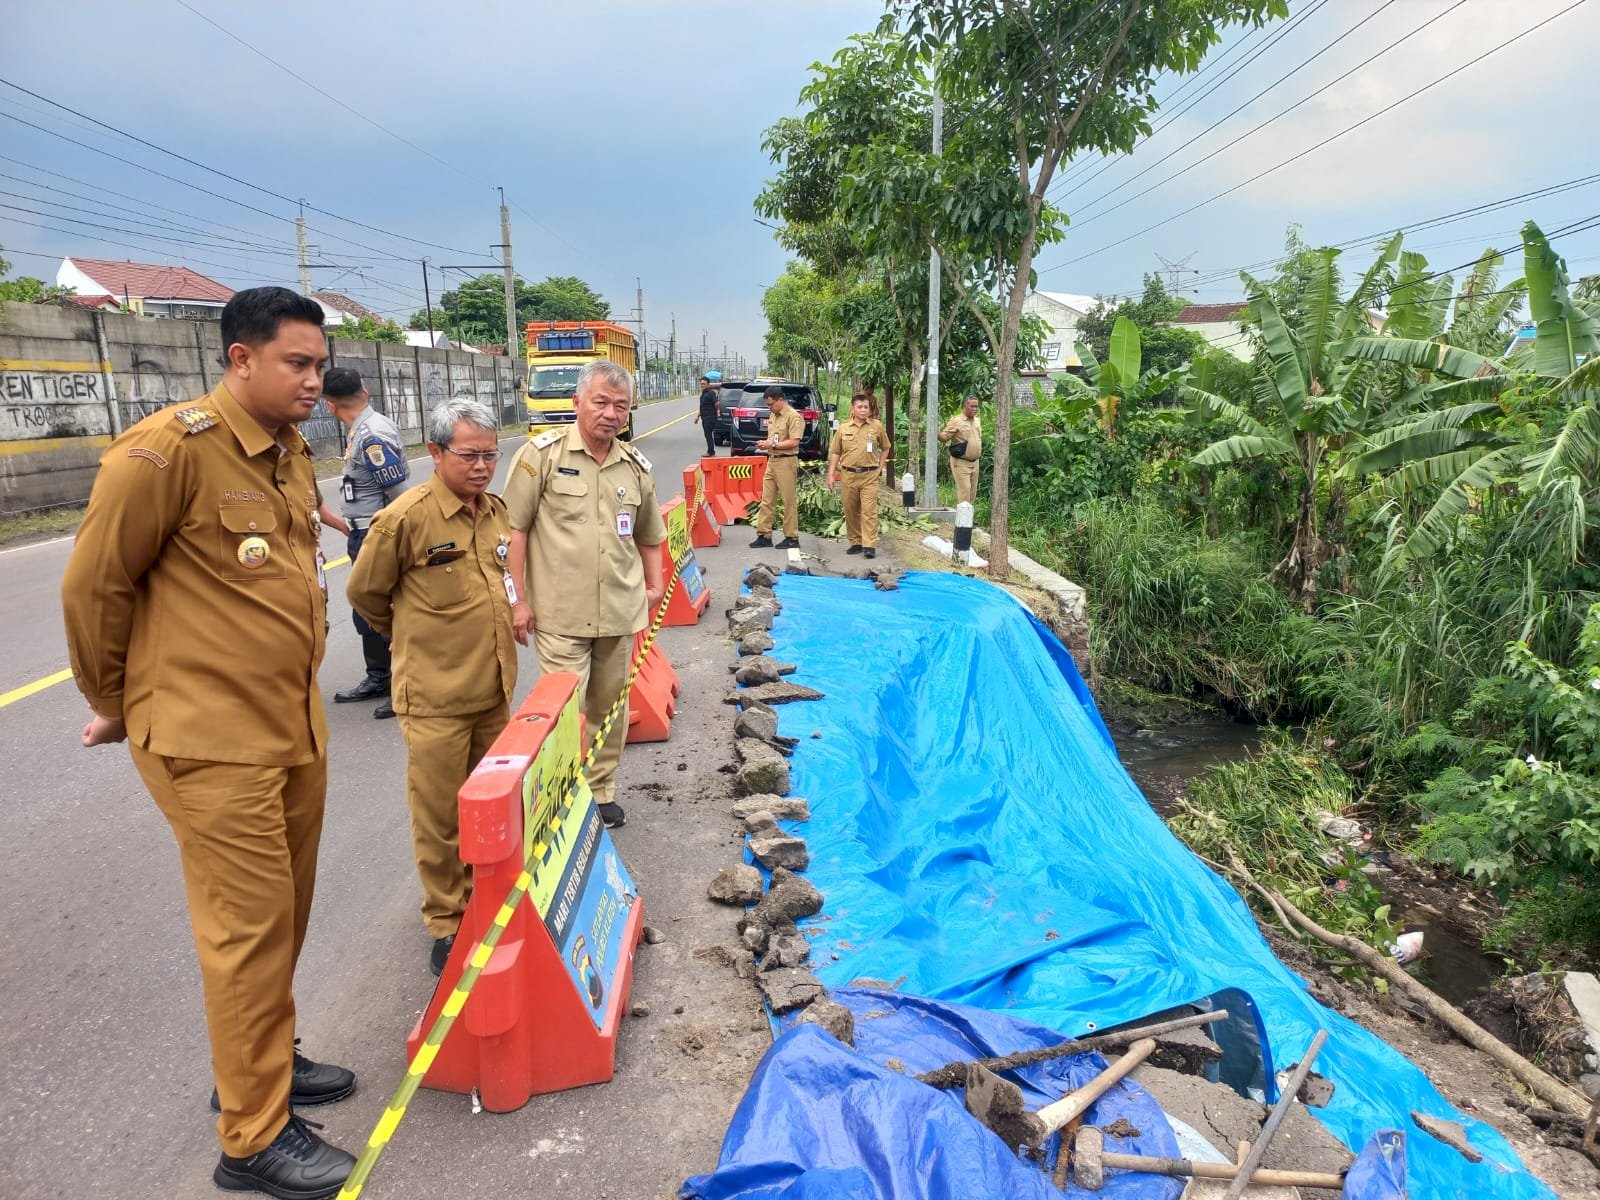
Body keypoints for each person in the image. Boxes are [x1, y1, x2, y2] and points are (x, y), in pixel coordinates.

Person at [60, 287, 356, 1199]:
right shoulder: (163, 454)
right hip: (208, 737)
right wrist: (114, 699)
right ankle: (253, 1137)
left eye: (317, 364)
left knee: (286, 913)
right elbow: (93, 591)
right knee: (246, 931)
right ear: (240, 359)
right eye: (295, 364)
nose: (314, 379)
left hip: (287, 722)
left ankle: (264, 1060)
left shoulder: (290, 451)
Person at [346, 399, 517, 976]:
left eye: (490, 454)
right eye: (469, 455)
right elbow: (365, 594)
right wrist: (410, 636)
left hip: (493, 690)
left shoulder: (494, 512)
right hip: (436, 698)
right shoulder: (406, 517)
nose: (482, 466)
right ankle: (447, 920)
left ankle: (488, 900)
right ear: (436, 452)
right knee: (440, 816)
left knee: (492, 808)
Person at [504, 361, 666, 830]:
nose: (611, 414)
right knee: (564, 711)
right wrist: (517, 600)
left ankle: (600, 789)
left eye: (621, 405)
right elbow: (513, 530)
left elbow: (650, 534)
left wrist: (654, 587)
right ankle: (560, 792)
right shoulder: (542, 456)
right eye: (600, 402)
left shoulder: (633, 466)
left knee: (610, 708)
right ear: (577, 402)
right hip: (559, 614)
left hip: (620, 609)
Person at [323, 367, 409, 720]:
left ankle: (403, 686)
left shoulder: (372, 435)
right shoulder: (362, 431)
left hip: (379, 536)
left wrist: (389, 542)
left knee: (388, 609)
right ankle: (379, 676)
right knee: (365, 608)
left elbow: (399, 495)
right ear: (365, 391)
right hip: (361, 534)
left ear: (329, 405)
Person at [827, 392, 891, 559]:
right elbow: (835, 452)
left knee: (869, 511)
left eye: (866, 407)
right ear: (853, 409)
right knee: (850, 510)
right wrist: (831, 474)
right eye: (860, 407)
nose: (863, 410)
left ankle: (869, 545)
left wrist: (880, 467)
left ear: (870, 409)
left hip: (869, 475)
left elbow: (886, 447)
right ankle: (855, 542)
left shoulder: (876, 426)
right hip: (848, 475)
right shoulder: (843, 428)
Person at [748, 385, 804, 550]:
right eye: (768, 405)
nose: (769, 407)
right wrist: (765, 444)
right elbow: (773, 438)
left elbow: (794, 442)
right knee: (767, 499)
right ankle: (764, 535)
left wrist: (771, 444)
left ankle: (792, 537)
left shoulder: (793, 417)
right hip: (772, 460)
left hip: (786, 461)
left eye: (771, 404)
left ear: (781, 400)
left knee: (788, 501)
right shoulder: (773, 415)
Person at [939, 394, 983, 506]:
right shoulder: (956, 421)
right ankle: (962, 522)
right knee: (965, 491)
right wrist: (935, 432)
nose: (974, 409)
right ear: (965, 405)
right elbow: (944, 437)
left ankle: (969, 519)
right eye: (972, 406)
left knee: (972, 493)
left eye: (976, 406)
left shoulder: (977, 420)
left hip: (975, 463)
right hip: (961, 462)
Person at [692, 374, 719, 458]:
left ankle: (711, 452)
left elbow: (717, 403)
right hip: (704, 417)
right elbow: (702, 407)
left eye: (704, 384)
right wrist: (697, 416)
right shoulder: (703, 395)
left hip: (710, 417)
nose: (702, 385)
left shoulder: (711, 393)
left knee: (708, 434)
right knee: (707, 434)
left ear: (708, 384)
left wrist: (717, 412)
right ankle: (710, 451)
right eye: (701, 384)